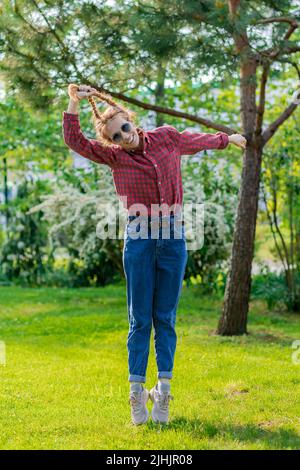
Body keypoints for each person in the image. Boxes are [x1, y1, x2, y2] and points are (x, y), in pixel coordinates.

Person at [63, 84, 247, 425]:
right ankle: (136, 395)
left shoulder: (166, 138)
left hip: (173, 233)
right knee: (140, 319)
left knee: (165, 317)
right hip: (139, 236)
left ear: (132, 121)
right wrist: (74, 102)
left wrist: (227, 138)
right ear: (112, 142)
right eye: (116, 136)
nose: (124, 137)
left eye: (125, 128)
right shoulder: (114, 156)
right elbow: (77, 141)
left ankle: (162, 392)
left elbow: (196, 140)